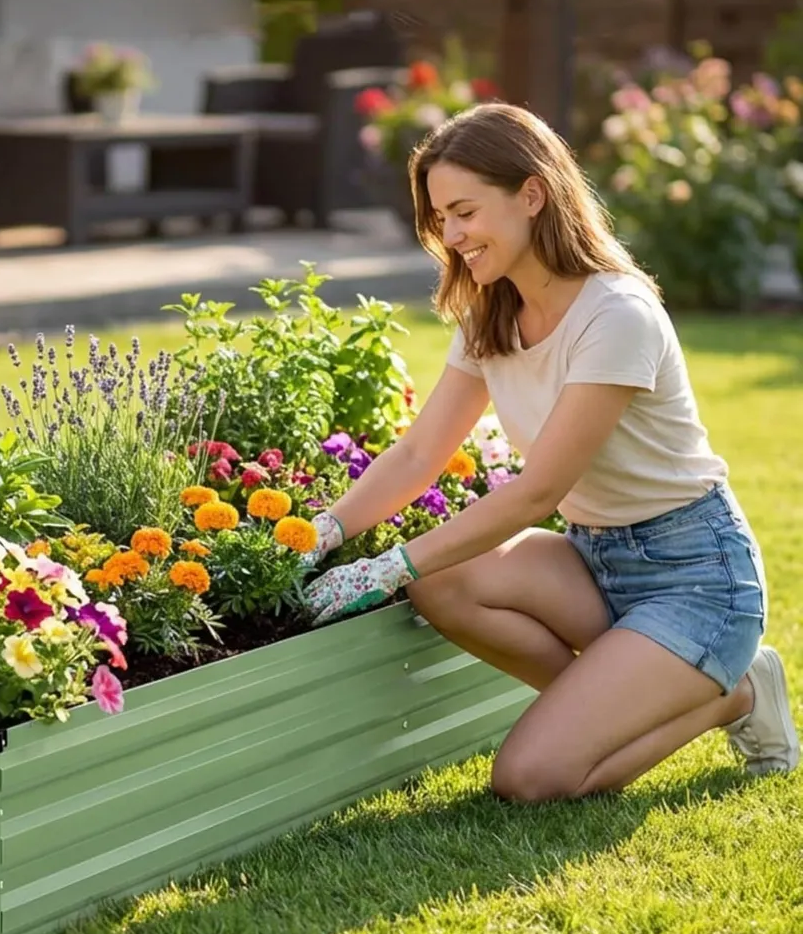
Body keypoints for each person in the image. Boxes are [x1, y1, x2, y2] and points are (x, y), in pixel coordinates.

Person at [301, 102, 797, 802]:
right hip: (593, 559)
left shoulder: (617, 314)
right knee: (441, 581)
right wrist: (324, 531)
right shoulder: (490, 312)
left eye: (465, 211)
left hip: (695, 577)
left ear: (531, 195)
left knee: (530, 778)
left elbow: (538, 491)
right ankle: (611, 708)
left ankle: (735, 693)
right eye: (441, 217)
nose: (452, 236)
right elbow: (418, 456)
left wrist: (390, 563)